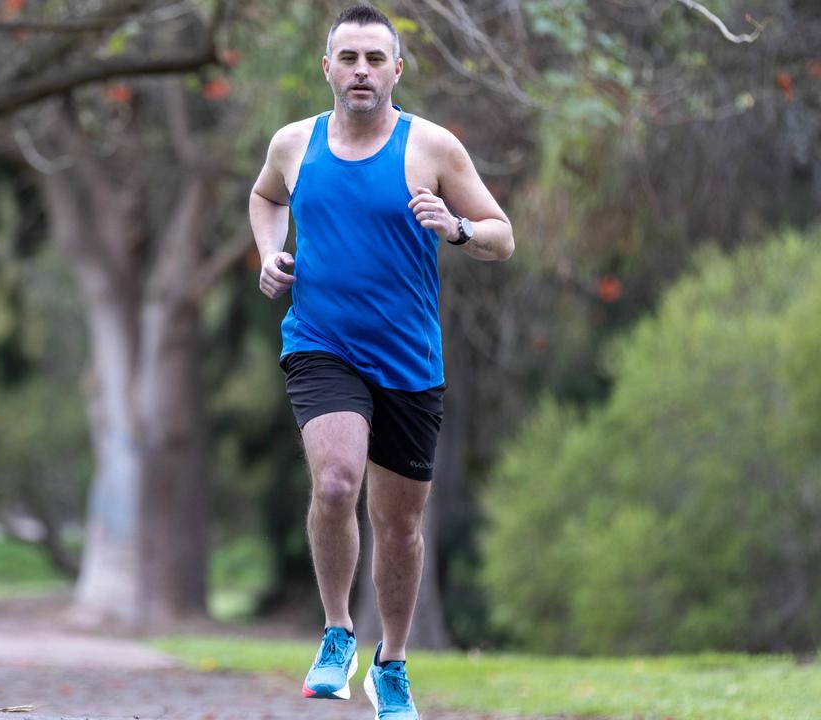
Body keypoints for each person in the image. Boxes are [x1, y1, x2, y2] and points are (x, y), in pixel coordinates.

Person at [247, 5, 514, 719]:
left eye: (375, 58)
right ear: (327, 68)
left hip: (407, 361)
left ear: (397, 69)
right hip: (321, 344)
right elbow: (265, 197)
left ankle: (390, 662)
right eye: (349, 58)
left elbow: (502, 236)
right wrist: (270, 252)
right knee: (336, 485)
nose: (361, 70)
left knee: (399, 527)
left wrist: (455, 228)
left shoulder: (432, 148)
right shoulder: (293, 144)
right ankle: (337, 631)